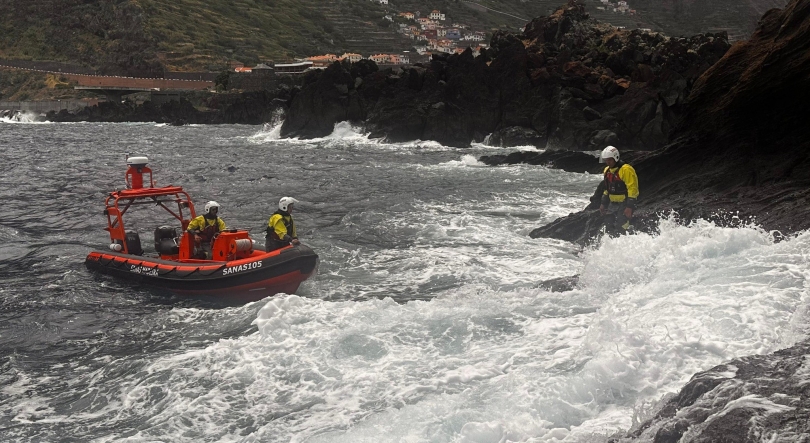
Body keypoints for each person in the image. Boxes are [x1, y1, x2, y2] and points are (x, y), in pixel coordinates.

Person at [598, 146, 639, 235]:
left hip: (625, 203)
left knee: (621, 228)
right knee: (608, 227)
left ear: (615, 158)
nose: (607, 162)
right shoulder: (607, 170)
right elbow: (606, 189)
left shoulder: (626, 169)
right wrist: (603, 203)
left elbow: (633, 188)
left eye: (610, 160)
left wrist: (629, 207)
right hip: (613, 203)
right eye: (606, 160)